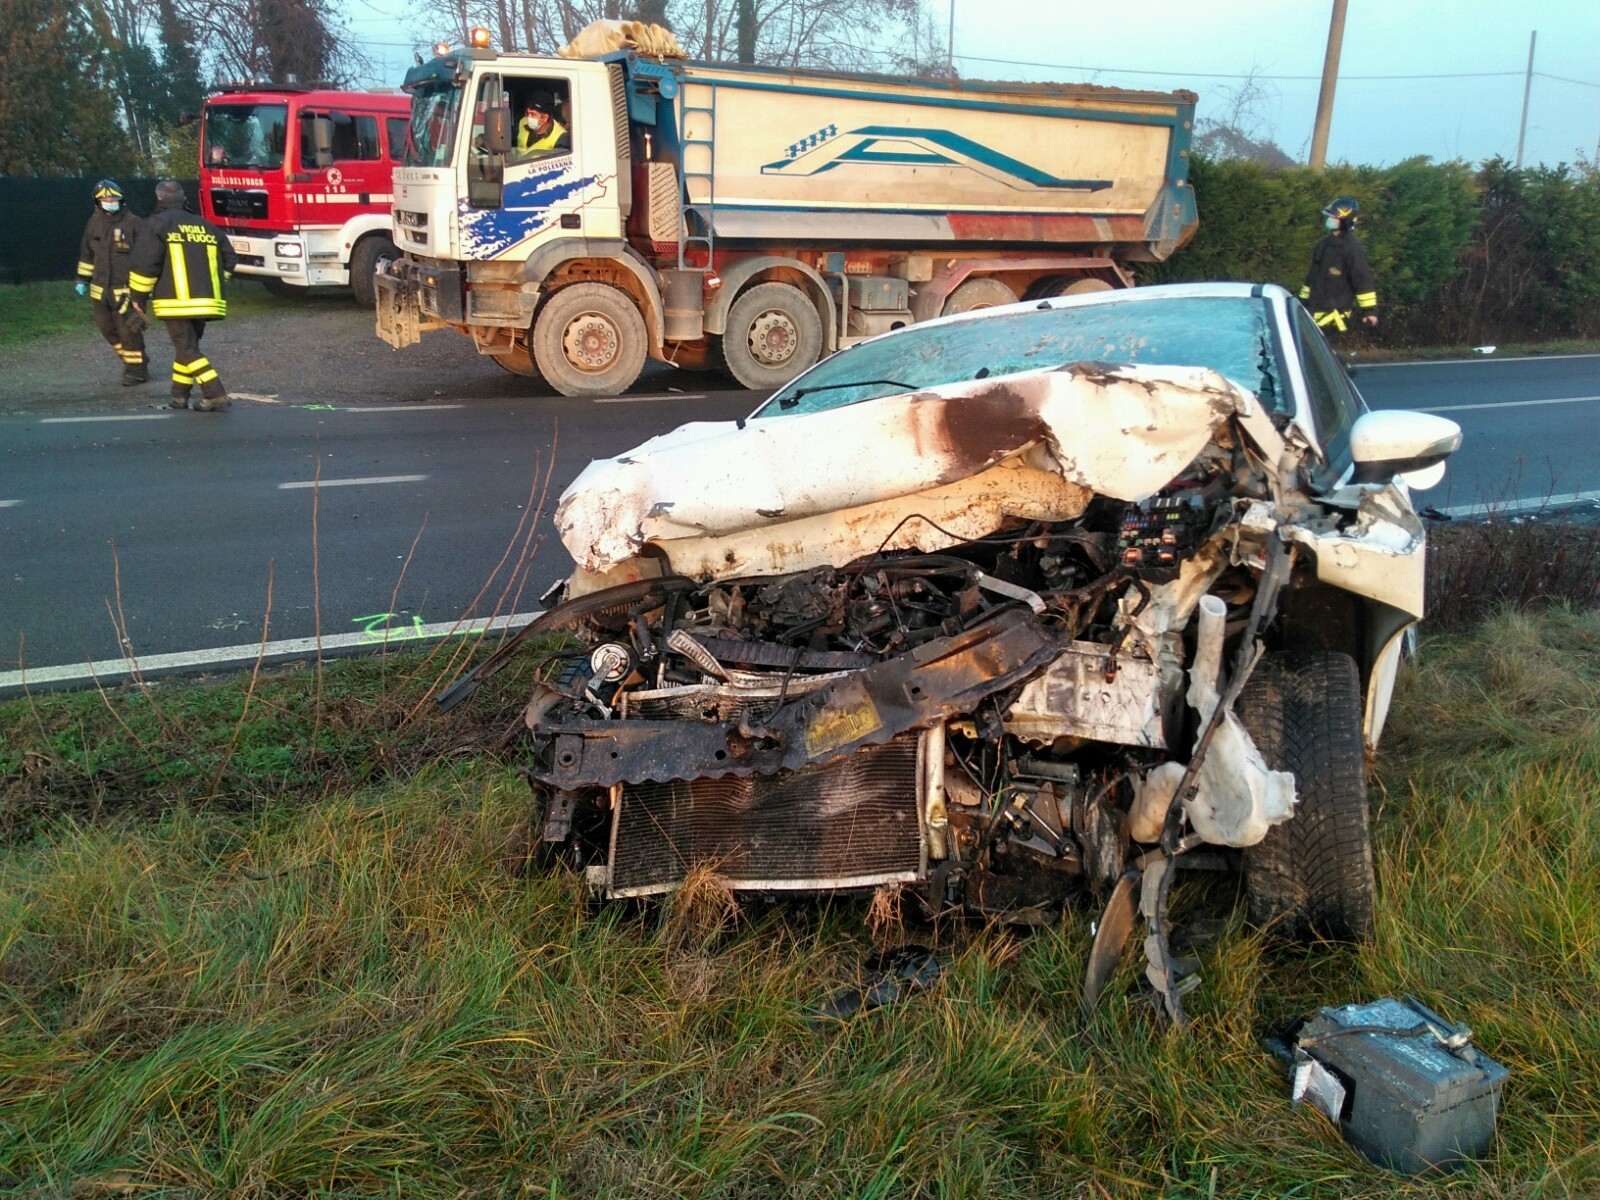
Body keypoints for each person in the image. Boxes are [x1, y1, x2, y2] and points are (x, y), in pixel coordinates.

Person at [128, 181, 239, 411]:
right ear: (183, 199)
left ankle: (215, 393)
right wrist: (214, 283)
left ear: (159, 199)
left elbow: (146, 264)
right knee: (187, 347)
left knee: (187, 349)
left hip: (175, 302)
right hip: (207, 301)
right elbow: (230, 259)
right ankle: (179, 396)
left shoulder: (156, 225)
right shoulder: (206, 225)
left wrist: (138, 298)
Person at [75, 180, 150, 386]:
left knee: (129, 333)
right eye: (105, 199)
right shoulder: (93, 223)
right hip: (100, 293)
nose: (110, 202)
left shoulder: (134, 224)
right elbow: (87, 254)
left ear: (121, 200)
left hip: (126, 293)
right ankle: (135, 362)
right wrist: (82, 279)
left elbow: (147, 257)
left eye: (114, 199)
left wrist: (143, 292)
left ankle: (137, 372)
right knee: (108, 330)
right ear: (98, 202)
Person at [1300, 196, 1378, 336]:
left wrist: (1369, 311)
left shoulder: (1352, 248)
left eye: (1334, 218)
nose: (1329, 220)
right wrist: (1302, 301)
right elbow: (1311, 277)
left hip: (1334, 315)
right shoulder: (1323, 244)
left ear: (1345, 221)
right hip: (1313, 311)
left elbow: (1362, 279)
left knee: (1323, 354)